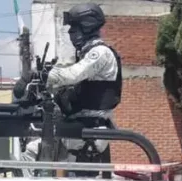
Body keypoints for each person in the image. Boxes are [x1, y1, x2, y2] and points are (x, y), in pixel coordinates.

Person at [16, 3, 122, 164]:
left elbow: (72, 74)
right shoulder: (86, 54)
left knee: (33, 155)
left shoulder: (100, 53)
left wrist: (39, 76)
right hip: (78, 130)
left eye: (74, 28)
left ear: (87, 27)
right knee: (34, 153)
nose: (71, 33)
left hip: (88, 133)